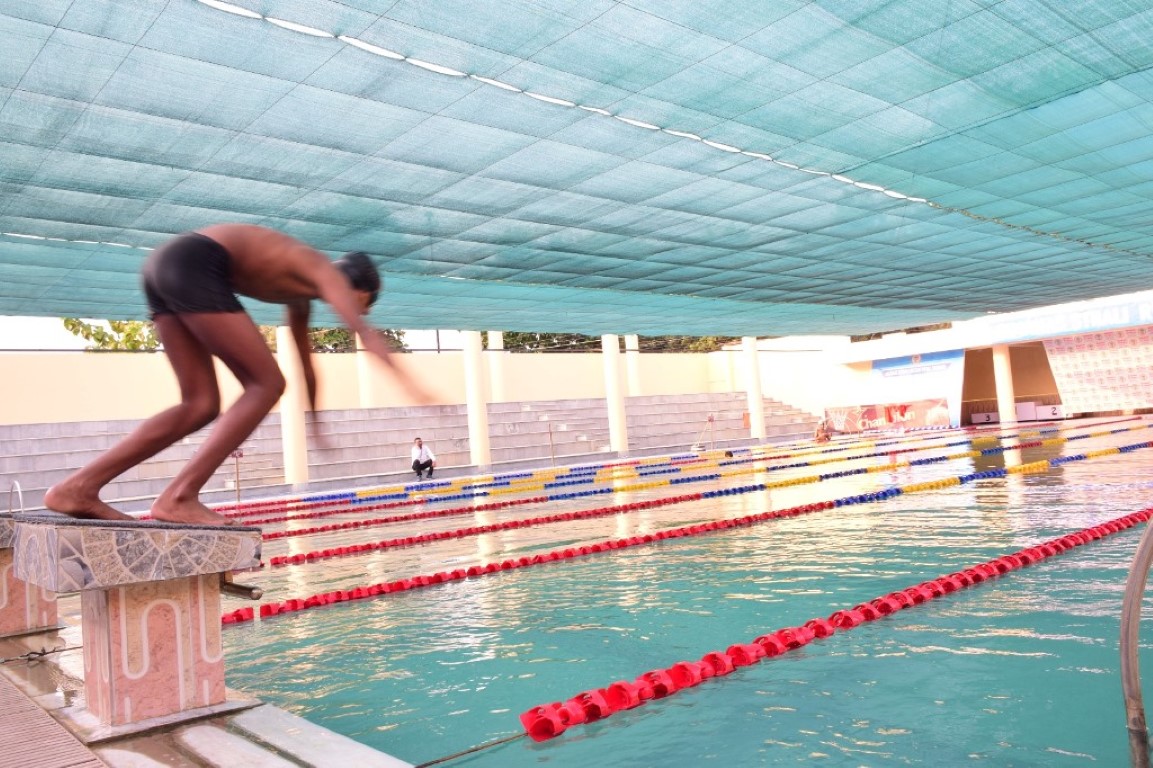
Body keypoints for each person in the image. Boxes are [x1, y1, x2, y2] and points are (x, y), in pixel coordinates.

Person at [44, 224, 431, 526]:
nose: (363, 310)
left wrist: (316, 421)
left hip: (164, 266)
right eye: (367, 302)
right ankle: (179, 496)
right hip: (196, 262)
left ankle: (77, 488)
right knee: (267, 384)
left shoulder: (300, 294)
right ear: (358, 288)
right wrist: (418, 388)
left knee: (200, 404)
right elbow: (363, 332)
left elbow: (306, 365)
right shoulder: (322, 269)